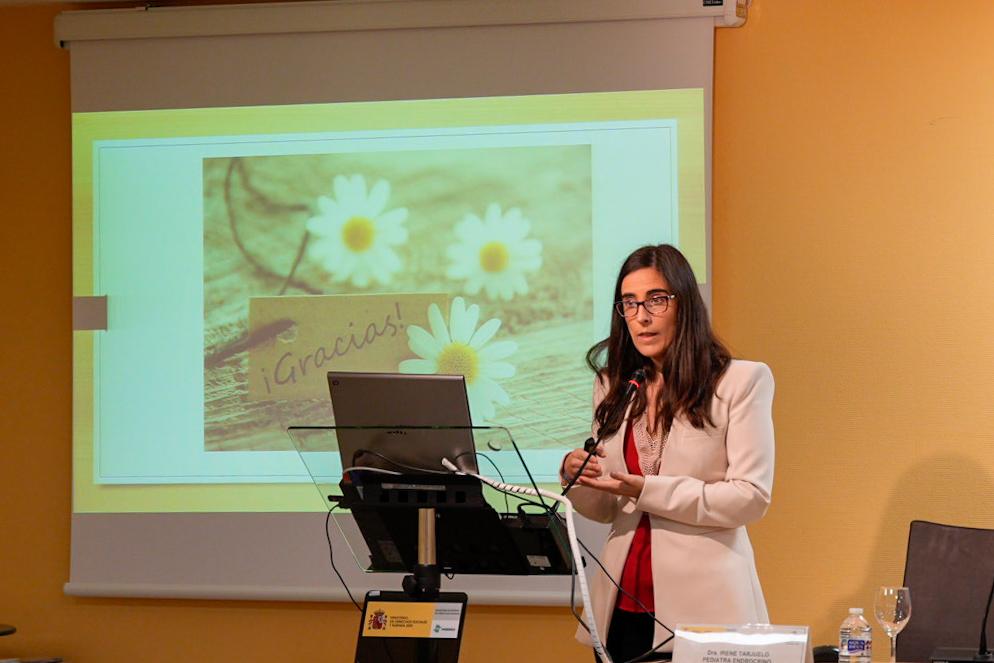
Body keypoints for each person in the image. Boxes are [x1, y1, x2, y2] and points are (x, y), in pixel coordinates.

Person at [560, 244, 775, 662]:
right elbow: (608, 508)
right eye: (629, 303)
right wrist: (577, 477)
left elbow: (750, 497)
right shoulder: (615, 384)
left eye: (656, 300)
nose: (642, 316)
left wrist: (647, 488)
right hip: (620, 606)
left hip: (704, 611)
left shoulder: (740, 382)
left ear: (684, 304)